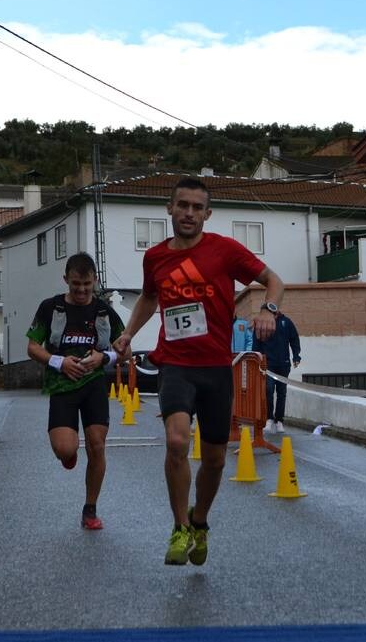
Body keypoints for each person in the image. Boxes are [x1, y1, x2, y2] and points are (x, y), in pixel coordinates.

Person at [113, 176, 284, 566]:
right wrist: (126, 335)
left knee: (216, 459)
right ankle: (178, 527)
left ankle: (199, 521)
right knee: (176, 442)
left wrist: (268, 310)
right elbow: (149, 297)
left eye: (196, 207)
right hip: (174, 363)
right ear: (169, 209)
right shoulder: (155, 257)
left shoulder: (224, 251)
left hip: (215, 368)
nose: (188, 213)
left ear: (207, 214)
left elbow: (273, 281)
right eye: (182, 205)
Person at [27, 253, 123, 530]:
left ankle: (90, 509)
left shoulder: (104, 311)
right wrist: (59, 362)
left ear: (95, 281)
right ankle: (68, 454)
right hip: (62, 385)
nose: (81, 291)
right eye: (76, 284)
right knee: (64, 449)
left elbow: (124, 348)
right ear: (66, 280)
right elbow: (32, 347)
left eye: (87, 285)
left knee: (97, 444)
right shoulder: (50, 307)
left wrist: (103, 358)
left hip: (93, 384)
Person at [253, 308, 301, 434]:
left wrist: (296, 356)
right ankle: (269, 418)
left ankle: (279, 420)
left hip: (283, 364)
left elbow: (294, 339)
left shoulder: (286, 322)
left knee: (282, 392)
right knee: (268, 390)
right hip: (268, 364)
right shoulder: (261, 323)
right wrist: (256, 358)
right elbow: (256, 342)